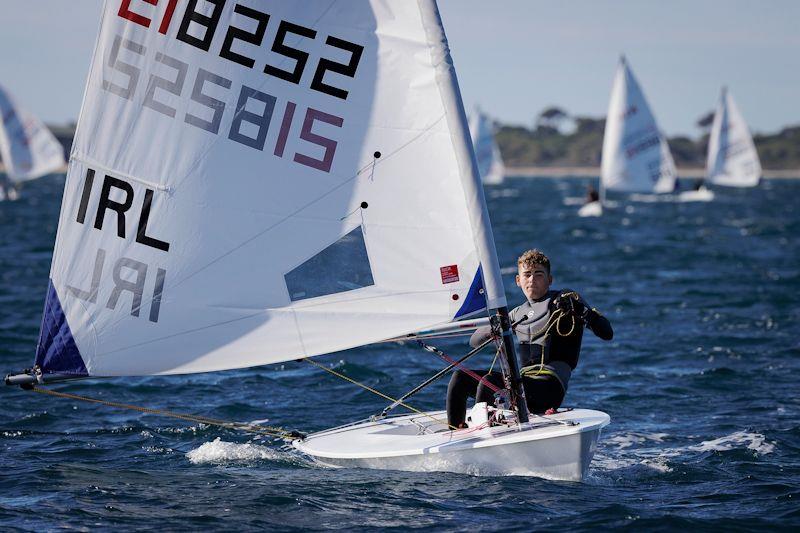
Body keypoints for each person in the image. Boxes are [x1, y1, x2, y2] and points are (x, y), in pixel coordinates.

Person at [446, 249, 613, 427]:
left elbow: (607, 333)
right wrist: (495, 327)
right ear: (518, 280)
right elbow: (474, 342)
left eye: (538, 274)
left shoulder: (565, 300)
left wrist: (581, 311)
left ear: (550, 280)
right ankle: (457, 432)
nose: (532, 279)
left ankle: (484, 432)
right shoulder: (516, 314)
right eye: (527, 275)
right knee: (461, 377)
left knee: (489, 382)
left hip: (549, 387)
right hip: (521, 385)